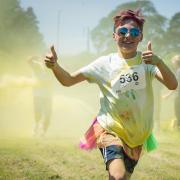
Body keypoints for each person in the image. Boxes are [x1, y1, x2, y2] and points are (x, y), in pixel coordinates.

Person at [44, 9, 177, 180]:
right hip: (110, 129)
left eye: (134, 32)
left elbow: (172, 84)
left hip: (137, 137)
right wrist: (54, 66)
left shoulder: (147, 63)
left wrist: (159, 62)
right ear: (114, 36)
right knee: (118, 176)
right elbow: (68, 80)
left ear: (141, 37)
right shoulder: (104, 64)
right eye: (122, 31)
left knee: (120, 178)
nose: (128, 36)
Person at [28, 56, 53, 137]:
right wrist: (34, 57)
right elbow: (29, 61)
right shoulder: (37, 65)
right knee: (38, 113)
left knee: (48, 115)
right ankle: (35, 128)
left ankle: (43, 132)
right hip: (38, 95)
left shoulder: (52, 68)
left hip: (48, 96)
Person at [163, 55, 180, 129]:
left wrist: (168, 95)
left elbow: (177, 85)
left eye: (173, 61)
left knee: (177, 111)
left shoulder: (179, 71)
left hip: (178, 95)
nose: (172, 63)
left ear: (176, 62)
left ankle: (178, 126)